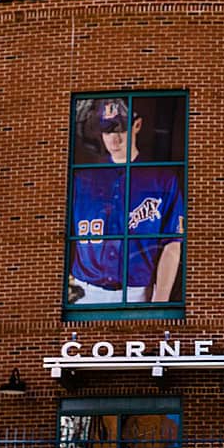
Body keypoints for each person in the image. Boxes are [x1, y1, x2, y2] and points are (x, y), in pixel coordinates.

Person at [67, 97, 183, 305]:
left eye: (119, 129)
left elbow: (172, 243)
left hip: (136, 292)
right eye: (107, 130)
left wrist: (160, 300)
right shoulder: (82, 179)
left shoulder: (161, 179)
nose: (114, 139)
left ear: (136, 125)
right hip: (85, 289)